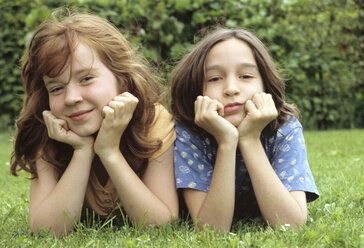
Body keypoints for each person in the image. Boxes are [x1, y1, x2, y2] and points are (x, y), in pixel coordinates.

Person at [10, 10, 178, 237]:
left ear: (122, 77)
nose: (71, 98)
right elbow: (46, 232)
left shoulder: (152, 120)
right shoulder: (48, 128)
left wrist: (109, 151)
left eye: (86, 78)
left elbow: (161, 226)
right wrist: (82, 150)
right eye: (56, 88)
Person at [170, 28, 319, 232]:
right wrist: (226, 142)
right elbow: (211, 231)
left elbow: (291, 225)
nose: (231, 88)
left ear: (266, 85)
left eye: (246, 76)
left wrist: (249, 139)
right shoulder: (188, 133)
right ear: (195, 89)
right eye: (214, 78)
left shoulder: (285, 128)